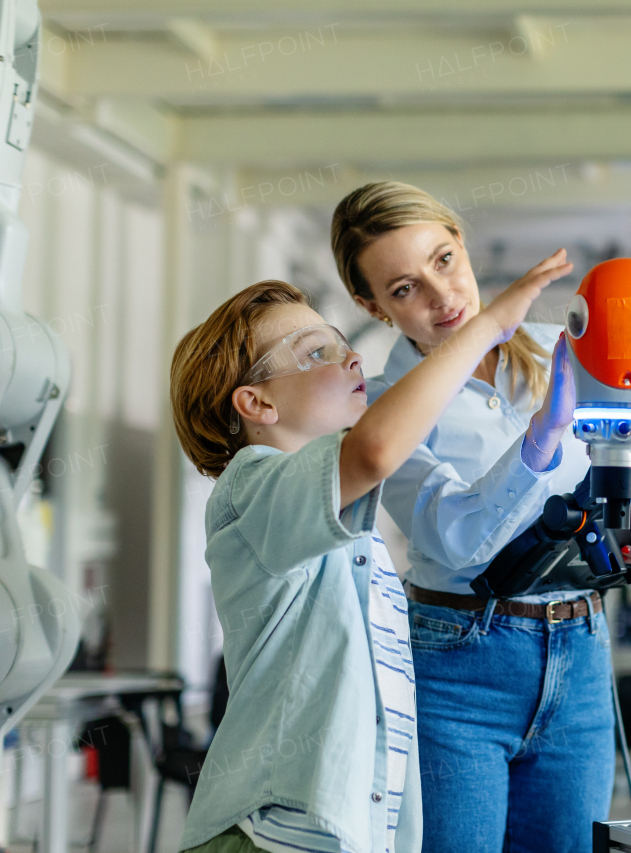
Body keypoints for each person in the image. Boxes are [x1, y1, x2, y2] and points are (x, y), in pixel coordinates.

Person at [331, 182, 631, 853]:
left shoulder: (562, 348)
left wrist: (624, 537)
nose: (439, 296)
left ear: (462, 245)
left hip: (578, 648)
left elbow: (606, 475)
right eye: (403, 289)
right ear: (373, 306)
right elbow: (453, 536)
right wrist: (542, 435)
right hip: (459, 662)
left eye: (443, 260)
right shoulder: (383, 406)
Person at [170, 270, 552, 853]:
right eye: (317, 352)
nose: (351, 359)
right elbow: (374, 450)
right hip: (267, 835)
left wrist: (544, 434)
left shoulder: (350, 529)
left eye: (341, 344)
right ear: (257, 402)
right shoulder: (250, 487)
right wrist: (486, 329)